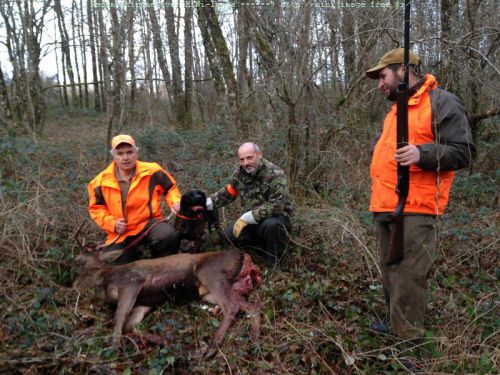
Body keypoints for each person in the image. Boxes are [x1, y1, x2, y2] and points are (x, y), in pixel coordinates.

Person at [365, 48, 475, 338]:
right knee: (390, 271)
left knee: (410, 275)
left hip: (417, 205)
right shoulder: (396, 111)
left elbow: (463, 152)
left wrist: (421, 153)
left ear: (403, 70)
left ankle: (409, 343)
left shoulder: (441, 102)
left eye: (383, 76)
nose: (380, 84)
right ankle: (394, 327)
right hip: (387, 204)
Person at [88, 134, 181, 264]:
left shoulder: (152, 171)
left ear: (136, 152)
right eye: (120, 153)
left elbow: (170, 188)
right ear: (113, 156)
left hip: (149, 223)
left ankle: (163, 267)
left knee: (168, 236)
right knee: (115, 264)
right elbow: (96, 209)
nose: (125, 157)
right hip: (121, 232)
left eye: (129, 152)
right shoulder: (99, 182)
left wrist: (175, 202)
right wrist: (112, 224)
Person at [207, 142, 293, 263]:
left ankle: (274, 264)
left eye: (249, 158)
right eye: (242, 159)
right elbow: (229, 193)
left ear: (259, 155)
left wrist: (247, 218)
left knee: (272, 226)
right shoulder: (239, 174)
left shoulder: (275, 174)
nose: (246, 163)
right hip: (251, 220)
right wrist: (207, 203)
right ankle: (257, 250)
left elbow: (276, 206)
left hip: (275, 218)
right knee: (228, 236)